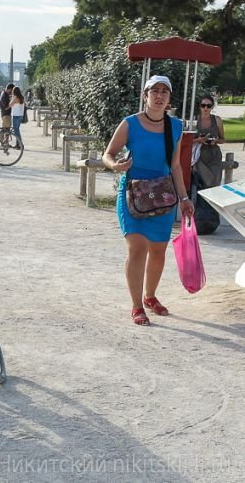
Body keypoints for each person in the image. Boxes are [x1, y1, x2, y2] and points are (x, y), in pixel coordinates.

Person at [102, 75, 194, 326]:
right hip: (133, 193)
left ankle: (150, 296)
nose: (159, 95)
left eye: (165, 91)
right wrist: (116, 165)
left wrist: (184, 197)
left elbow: (175, 165)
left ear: (169, 99)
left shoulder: (174, 127)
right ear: (145, 95)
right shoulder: (129, 124)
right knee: (137, 248)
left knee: (158, 251)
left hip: (163, 194)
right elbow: (108, 154)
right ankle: (136, 306)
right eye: (154, 90)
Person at [191, 95, 226, 234]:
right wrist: (199, 140)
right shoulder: (194, 121)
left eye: (209, 106)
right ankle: (200, 217)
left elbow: (223, 139)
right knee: (202, 185)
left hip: (214, 156)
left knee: (214, 185)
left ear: (212, 107)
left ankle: (211, 218)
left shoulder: (216, 120)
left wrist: (214, 141)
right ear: (199, 106)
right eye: (203, 105)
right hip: (199, 156)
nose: (205, 108)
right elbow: (186, 140)